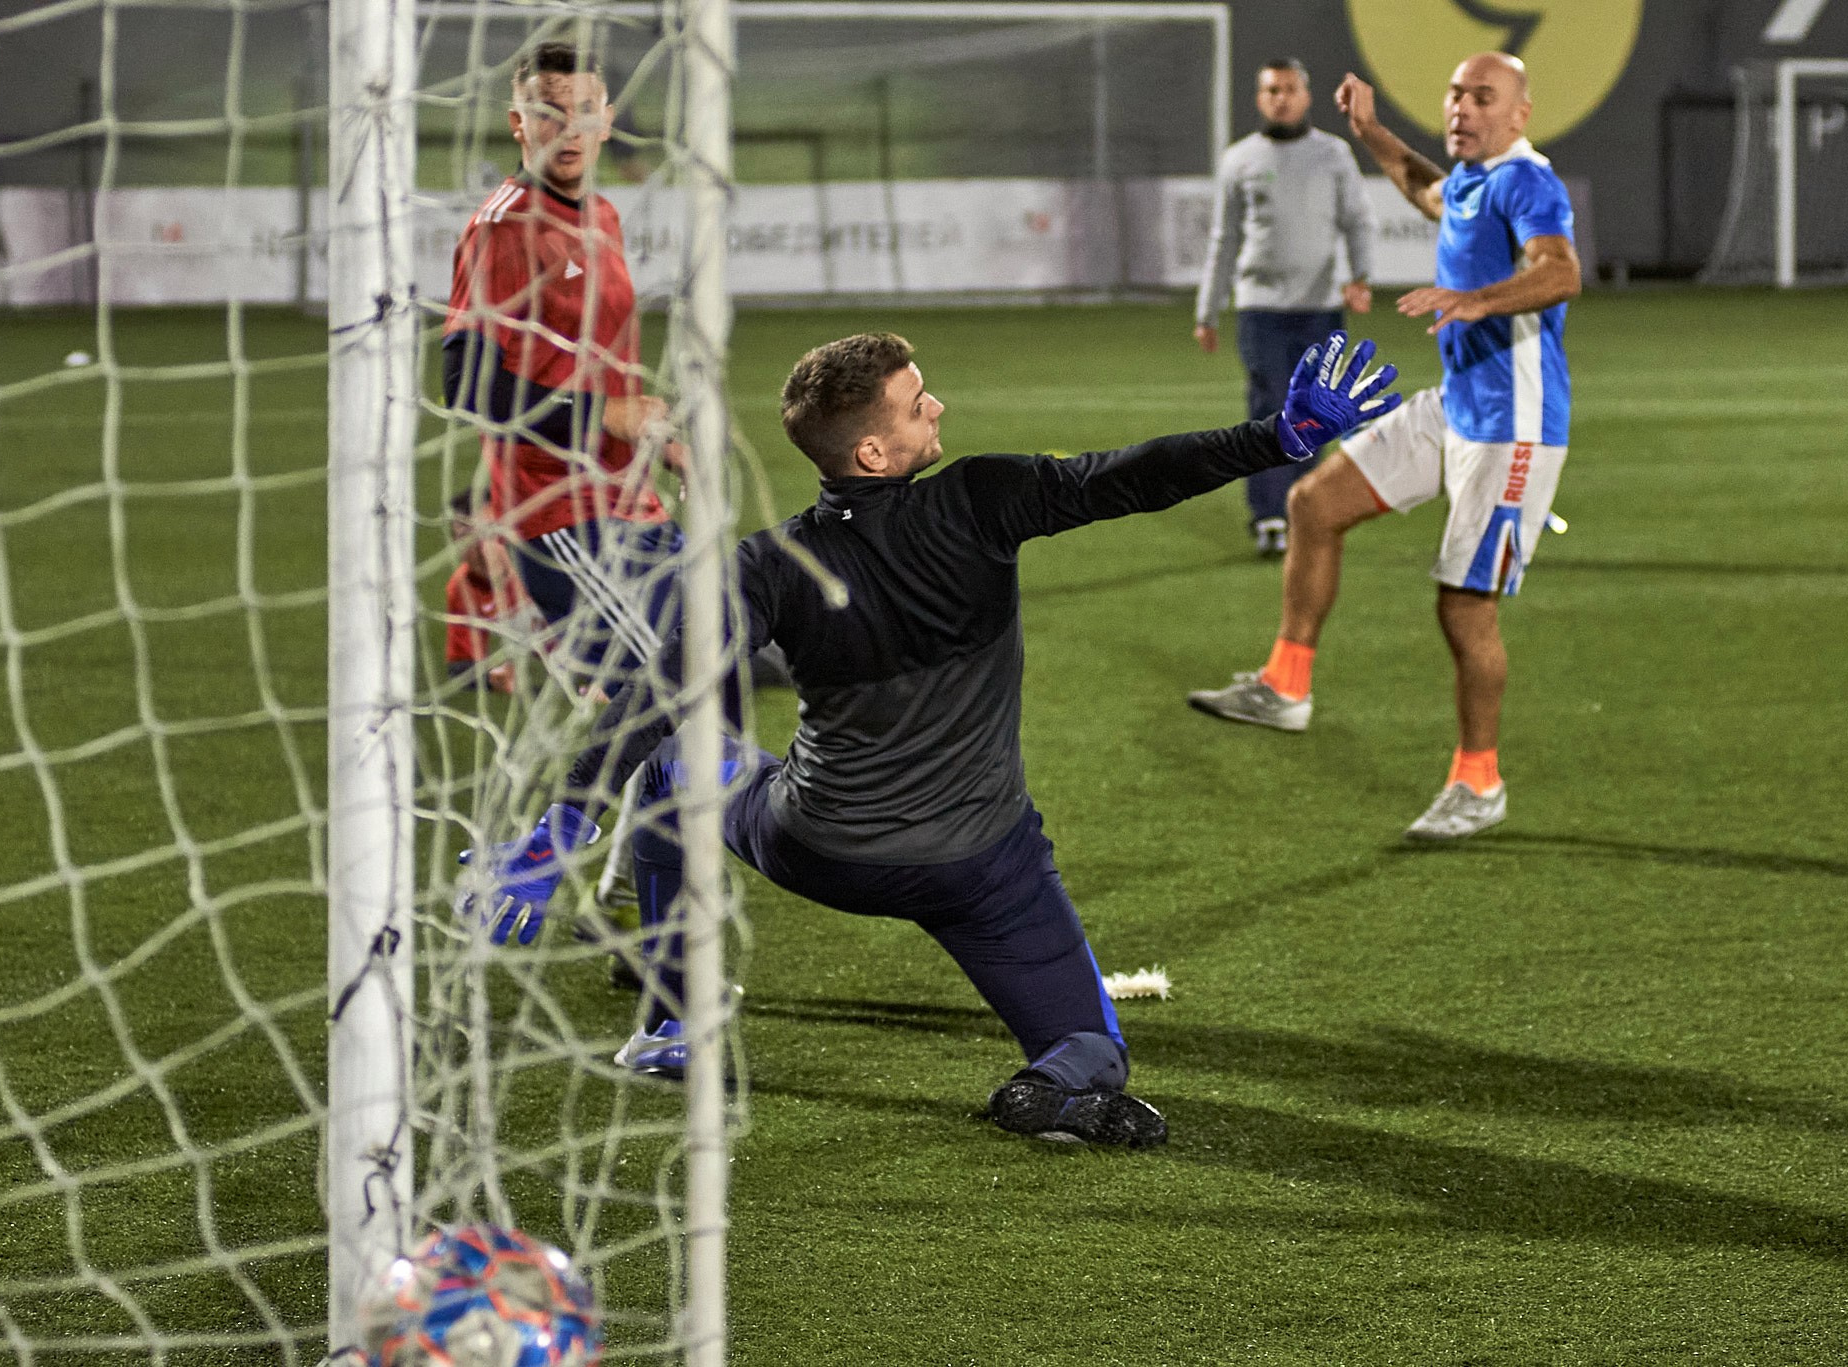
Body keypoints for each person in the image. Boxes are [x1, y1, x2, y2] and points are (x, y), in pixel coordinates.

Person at [462, 329, 1401, 1148]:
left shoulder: (769, 565)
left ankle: (674, 1024)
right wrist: (1277, 439)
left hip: (820, 845)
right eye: (917, 404)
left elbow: (659, 690)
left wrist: (562, 830)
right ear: (874, 450)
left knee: (677, 759)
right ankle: (1053, 1086)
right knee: (1092, 1048)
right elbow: (1133, 476)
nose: (937, 404)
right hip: (982, 867)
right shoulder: (983, 500)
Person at [1187, 53, 1582, 841]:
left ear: (1520, 113)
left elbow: (1561, 271)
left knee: (1464, 607)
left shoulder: (1528, 181)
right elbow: (1419, 183)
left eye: (1484, 96)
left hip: (1515, 429)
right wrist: (1369, 129)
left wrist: (1474, 300)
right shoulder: (1471, 180)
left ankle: (1479, 782)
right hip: (1456, 408)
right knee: (1313, 502)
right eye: (1456, 92)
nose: (1463, 107)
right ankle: (1287, 685)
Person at [442, 40, 679, 693]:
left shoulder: (602, 214)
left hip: (631, 497)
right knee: (673, 692)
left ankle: (589, 796)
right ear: (517, 122)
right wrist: (607, 415)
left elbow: (600, 364)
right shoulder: (501, 229)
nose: (568, 129)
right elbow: (466, 384)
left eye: (584, 110)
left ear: (606, 121)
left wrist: (659, 439)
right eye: (548, 112)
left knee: (716, 661)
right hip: (555, 511)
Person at [1194, 58, 1376, 558]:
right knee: (1271, 408)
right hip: (1260, 309)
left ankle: (1303, 504)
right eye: (1272, 89)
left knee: (1315, 412)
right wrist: (1207, 310)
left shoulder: (1333, 155)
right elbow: (1224, 239)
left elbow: (1357, 220)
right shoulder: (1241, 159)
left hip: (1319, 307)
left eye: (1290, 88)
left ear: (1306, 95)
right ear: (1260, 97)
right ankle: (1269, 516)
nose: (1281, 97)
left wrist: (1361, 277)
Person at [444, 490, 538, 693]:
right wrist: (494, 678)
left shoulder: (539, 566)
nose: (479, 549)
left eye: (487, 535)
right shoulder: (463, 586)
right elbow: (461, 666)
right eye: (465, 538)